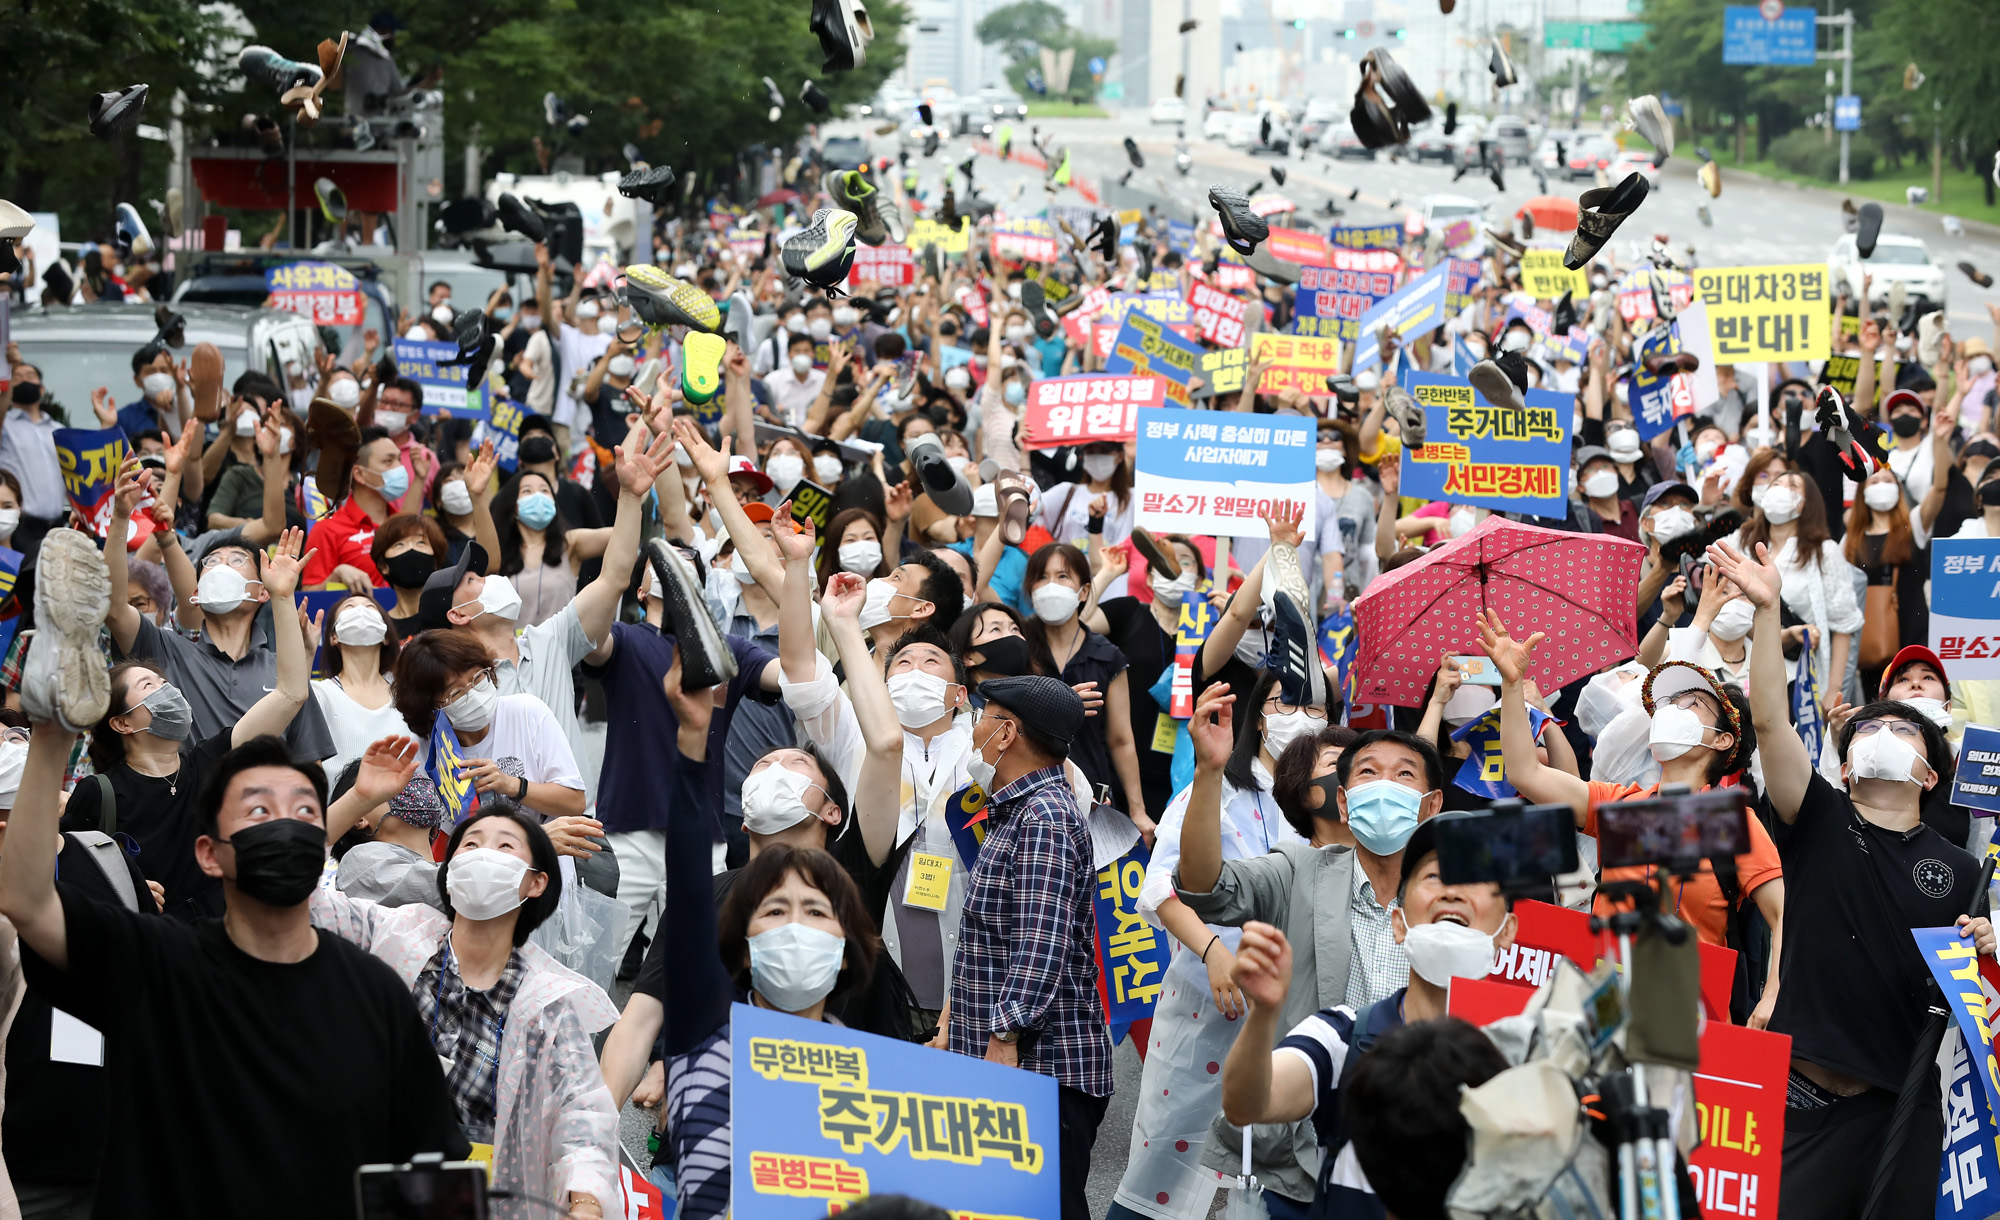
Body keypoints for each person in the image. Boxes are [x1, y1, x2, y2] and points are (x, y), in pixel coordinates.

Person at [0, 526, 468, 1217]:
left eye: (304, 808)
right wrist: (51, 738)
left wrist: (363, 796)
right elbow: (24, 897)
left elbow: (435, 1177)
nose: (284, 819)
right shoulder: (155, 966)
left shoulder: (375, 995)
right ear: (209, 853)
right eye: (257, 808)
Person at [1709, 537, 1995, 1219]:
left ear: (1931, 776)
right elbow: (1773, 720)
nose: (1886, 732)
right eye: (1872, 727)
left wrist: (1984, 943)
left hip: (1903, 1112)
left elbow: (1968, 994)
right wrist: (1767, 609)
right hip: (1802, 1103)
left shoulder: (1961, 870)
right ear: (1844, 767)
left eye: (1906, 729)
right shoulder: (1815, 817)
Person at [596, 651, 883, 1220]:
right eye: (760, 764)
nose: (773, 768)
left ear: (832, 811)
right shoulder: (706, 898)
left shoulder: (857, 884)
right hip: (702, 1158)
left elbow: (886, 746)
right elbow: (639, 1022)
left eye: (795, 763)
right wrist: (590, 1141)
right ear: (745, 816)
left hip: (828, 1169)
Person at [1174, 683, 1446, 1216]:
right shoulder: (1300, 870)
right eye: (1367, 773)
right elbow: (1204, 886)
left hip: (1428, 1130)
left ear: (1431, 804)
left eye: (1404, 774)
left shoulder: (1463, 896)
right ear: (1343, 800)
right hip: (1312, 1141)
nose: (1384, 785)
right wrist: (1208, 773)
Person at [310, 802, 620, 1220]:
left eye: (504, 845)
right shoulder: (396, 932)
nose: (482, 854)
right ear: (449, 870)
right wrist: (360, 795)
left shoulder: (550, 1002)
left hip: (488, 1201)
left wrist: (584, 1202)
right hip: (372, 1185)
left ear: (536, 883)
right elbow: (301, 898)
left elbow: (583, 1112)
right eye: (470, 844)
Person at [1485, 611, 1786, 1018]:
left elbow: (1784, 915)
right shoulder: (1621, 805)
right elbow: (1525, 771)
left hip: (1693, 1021)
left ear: (1722, 740)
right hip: (1605, 1011)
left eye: (1692, 703)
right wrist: (1512, 683)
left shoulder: (1731, 822)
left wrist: (1772, 995)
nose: (1673, 709)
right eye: (1669, 703)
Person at [1220, 813, 1521, 1217]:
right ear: (1398, 922)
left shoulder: (1526, 1057)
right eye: (1434, 876)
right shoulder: (1343, 1036)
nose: (1452, 890)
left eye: (1474, 876)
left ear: (1507, 930)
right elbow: (1245, 1105)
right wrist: (1263, 1014)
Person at [72, 528, 317, 921]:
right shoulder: (97, 794)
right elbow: (62, 872)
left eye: (165, 683)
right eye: (149, 685)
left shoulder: (206, 764)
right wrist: (118, 887)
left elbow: (291, 693)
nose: (168, 691)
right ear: (119, 722)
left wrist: (284, 597)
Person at [947, 675, 1112, 1220]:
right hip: (1012, 1060)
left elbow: (1041, 945)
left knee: (1043, 1208)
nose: (975, 731)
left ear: (1006, 733)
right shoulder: (1019, 811)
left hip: (1041, 1067)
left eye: (983, 717)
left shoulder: (1043, 817)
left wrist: (1003, 1036)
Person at [103, 463, 335, 762]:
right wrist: (120, 518)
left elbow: (309, 764)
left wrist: (284, 594)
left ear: (262, 591)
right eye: (211, 562)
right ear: (196, 594)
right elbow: (113, 607)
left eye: (237, 560)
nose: (222, 567)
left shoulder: (284, 670)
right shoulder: (165, 651)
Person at [392, 632, 589, 825]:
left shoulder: (526, 712)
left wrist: (512, 785)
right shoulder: (421, 755)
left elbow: (574, 802)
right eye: (457, 693)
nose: (473, 694)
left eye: (477, 678)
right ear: (429, 708)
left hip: (541, 854)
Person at [1023, 543, 1145, 821]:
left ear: (1085, 591)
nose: (1050, 585)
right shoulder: (1018, 647)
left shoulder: (1108, 657)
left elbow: (1121, 740)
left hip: (1093, 797)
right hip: (1027, 794)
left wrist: (1138, 810)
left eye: (1062, 576)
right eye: (1041, 577)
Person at [1734, 467, 1858, 707]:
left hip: (1799, 677)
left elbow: (1843, 626)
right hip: (1742, 671)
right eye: (1776, 485)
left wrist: (1832, 690)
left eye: (1792, 486)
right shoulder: (1742, 542)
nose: (1781, 490)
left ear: (1804, 503)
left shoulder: (1824, 552)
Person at [492, 469, 616, 628]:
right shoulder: (499, 551)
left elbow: (621, 535)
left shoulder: (570, 543)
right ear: (513, 505)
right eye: (527, 491)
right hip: (512, 650)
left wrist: (629, 494)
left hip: (561, 649)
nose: (538, 496)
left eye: (545, 490)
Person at [311, 590, 407, 783]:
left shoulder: (409, 693)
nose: (361, 611)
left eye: (370, 608)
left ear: (386, 636)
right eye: (350, 608)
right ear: (333, 637)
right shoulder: (318, 693)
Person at [301, 426, 409, 590]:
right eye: (389, 461)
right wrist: (336, 575)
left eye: (399, 460)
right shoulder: (326, 531)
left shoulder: (407, 526)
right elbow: (310, 599)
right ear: (359, 474)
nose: (399, 468)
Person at [372, 512, 452, 639]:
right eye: (399, 544)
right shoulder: (380, 628)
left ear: (436, 562)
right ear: (383, 566)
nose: (411, 549)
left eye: (420, 542)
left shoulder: (452, 615)